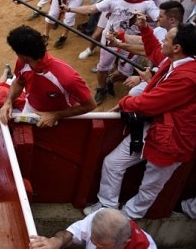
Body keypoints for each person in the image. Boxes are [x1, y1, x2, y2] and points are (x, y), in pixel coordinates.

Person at [83, 17, 196, 220]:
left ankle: (127, 218)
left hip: (171, 141)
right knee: (113, 163)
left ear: (177, 47)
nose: (163, 42)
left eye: (167, 40)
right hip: (154, 129)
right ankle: (107, 208)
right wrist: (145, 30)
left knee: (149, 186)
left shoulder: (187, 76)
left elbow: (150, 104)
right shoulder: (175, 63)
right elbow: (154, 51)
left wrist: (125, 103)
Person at [62, 0, 159, 105]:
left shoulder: (146, 3)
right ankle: (101, 88)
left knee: (125, 73)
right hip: (109, 39)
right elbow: (91, 8)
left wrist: (147, 19)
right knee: (102, 67)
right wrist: (70, 9)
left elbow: (158, 18)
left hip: (131, 43)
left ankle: (110, 81)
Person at [0, 25, 96, 127]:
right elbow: (19, 82)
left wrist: (55, 115)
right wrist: (8, 102)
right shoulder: (22, 63)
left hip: (62, 119)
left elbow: (90, 105)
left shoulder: (67, 77)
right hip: (29, 109)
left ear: (25, 57)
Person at [29, 208, 156, 248]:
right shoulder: (100, 217)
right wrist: (56, 241)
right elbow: (70, 235)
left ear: (124, 244)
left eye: (102, 248)